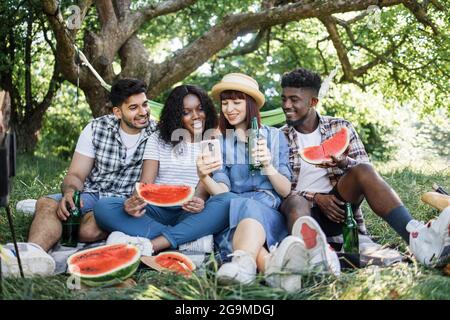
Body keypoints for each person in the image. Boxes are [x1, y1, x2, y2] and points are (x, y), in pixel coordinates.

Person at [279, 67, 450, 267]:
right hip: (300, 212)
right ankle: (311, 259)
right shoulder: (278, 137)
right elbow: (276, 187)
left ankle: (418, 238)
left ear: (313, 102)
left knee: (363, 170)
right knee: (296, 201)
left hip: (339, 210)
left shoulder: (340, 127)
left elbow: (364, 167)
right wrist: (315, 197)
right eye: (284, 99)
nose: (286, 105)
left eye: (294, 99)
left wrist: (344, 162)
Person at [196, 73, 340, 292]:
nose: (229, 108)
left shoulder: (274, 136)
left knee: (248, 209)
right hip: (234, 210)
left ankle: (243, 265)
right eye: (225, 103)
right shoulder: (221, 143)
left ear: (250, 104)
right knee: (242, 206)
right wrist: (204, 176)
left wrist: (268, 164)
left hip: (268, 210)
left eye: (237, 102)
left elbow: (285, 190)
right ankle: (274, 271)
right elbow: (222, 192)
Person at [0, 78, 158, 277]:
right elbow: (75, 174)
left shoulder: (157, 133)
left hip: (121, 203)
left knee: (87, 231)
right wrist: (70, 192)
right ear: (117, 112)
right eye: (134, 108)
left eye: (145, 104)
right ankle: (32, 254)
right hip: (91, 193)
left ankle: (53, 224)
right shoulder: (96, 128)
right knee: (48, 204)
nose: (143, 112)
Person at [93, 85, 235, 256]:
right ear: (176, 115)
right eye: (186, 112)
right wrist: (134, 203)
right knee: (104, 207)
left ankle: (153, 244)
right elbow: (145, 185)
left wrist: (199, 202)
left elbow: (206, 184)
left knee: (228, 201)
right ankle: (186, 238)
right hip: (156, 211)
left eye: (200, 109)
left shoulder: (213, 139)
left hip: (191, 212)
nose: (196, 116)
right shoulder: (157, 139)